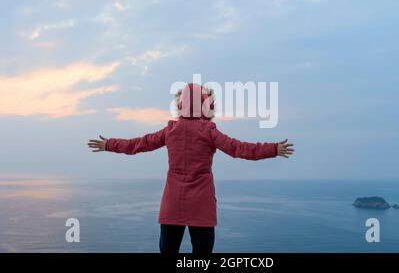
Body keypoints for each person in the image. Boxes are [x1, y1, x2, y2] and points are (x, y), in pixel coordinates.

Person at [87, 83, 294, 254]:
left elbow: (138, 144)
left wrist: (109, 144)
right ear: (205, 105)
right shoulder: (209, 131)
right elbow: (240, 149)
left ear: (182, 104)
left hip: (172, 205)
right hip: (201, 207)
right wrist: (274, 149)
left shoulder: (170, 130)